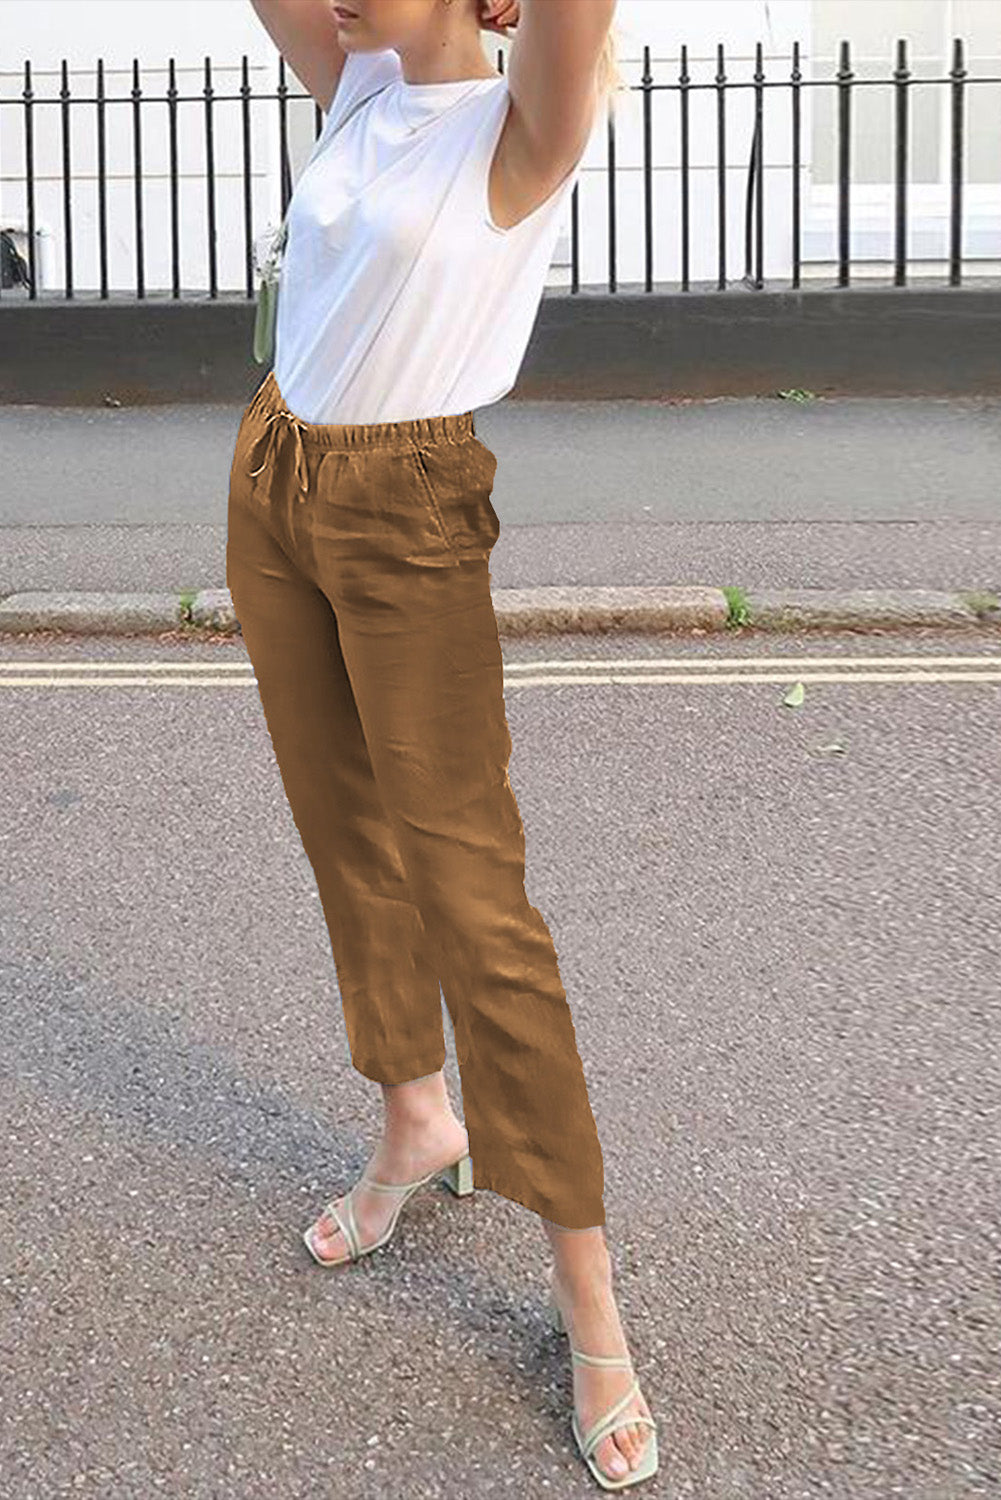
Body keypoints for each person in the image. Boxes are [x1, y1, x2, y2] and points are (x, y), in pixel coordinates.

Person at [229, 0, 657, 1488]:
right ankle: (416, 1116)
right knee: (342, 835)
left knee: (476, 901)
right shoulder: (359, 80)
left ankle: (587, 1296)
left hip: (407, 511)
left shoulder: (521, 130)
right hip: (273, 473)